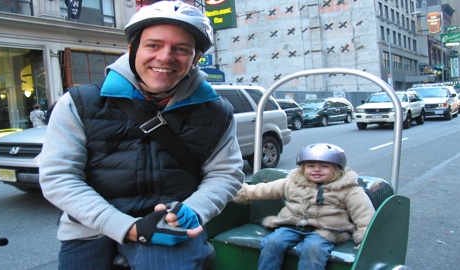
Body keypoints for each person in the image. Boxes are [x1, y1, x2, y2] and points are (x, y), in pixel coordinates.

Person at [39, 1, 244, 270]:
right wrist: (129, 227)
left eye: (181, 49)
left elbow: (226, 174)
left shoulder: (216, 111)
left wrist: (192, 211)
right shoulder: (78, 102)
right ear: (132, 49)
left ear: (195, 59)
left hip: (169, 223)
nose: (165, 57)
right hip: (90, 225)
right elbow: (59, 176)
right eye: (153, 45)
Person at [234, 143, 375, 270]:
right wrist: (244, 192)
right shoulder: (293, 182)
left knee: (313, 249)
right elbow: (266, 189)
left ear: (337, 170)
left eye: (324, 166)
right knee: (272, 242)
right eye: (311, 166)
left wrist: (366, 237)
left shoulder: (348, 189)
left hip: (326, 231)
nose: (316, 170)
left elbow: (363, 214)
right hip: (291, 226)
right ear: (302, 168)